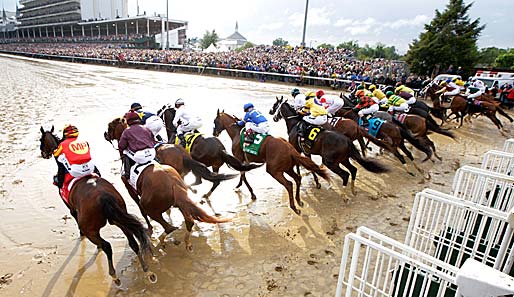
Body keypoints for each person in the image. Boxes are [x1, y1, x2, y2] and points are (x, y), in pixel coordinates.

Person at [53, 124, 98, 198]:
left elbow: (56, 154)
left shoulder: (63, 144)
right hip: (90, 168)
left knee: (60, 158)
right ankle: (98, 173)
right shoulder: (84, 141)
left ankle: (60, 182)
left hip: (76, 172)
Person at [118, 111, 156, 180]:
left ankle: (127, 174)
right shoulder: (146, 128)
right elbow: (153, 141)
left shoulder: (127, 131)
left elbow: (121, 146)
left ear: (128, 121)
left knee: (125, 151)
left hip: (140, 157)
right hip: (152, 154)